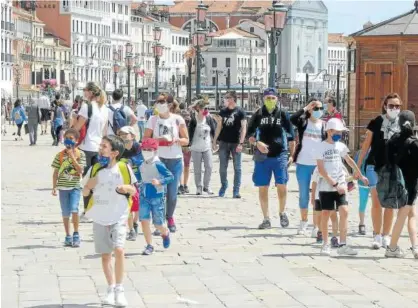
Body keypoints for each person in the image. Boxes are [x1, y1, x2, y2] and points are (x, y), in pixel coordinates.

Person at [83, 135, 137, 307]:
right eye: (100, 145)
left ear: (114, 153)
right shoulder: (95, 169)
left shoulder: (124, 168)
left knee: (119, 250)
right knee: (106, 255)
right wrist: (91, 184)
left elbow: (134, 190)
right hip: (100, 215)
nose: (100, 148)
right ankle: (110, 287)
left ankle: (120, 289)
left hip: (119, 215)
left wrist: (125, 188)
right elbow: (84, 192)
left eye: (104, 146)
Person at [314, 118, 369, 256]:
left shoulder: (341, 146)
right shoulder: (320, 147)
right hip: (326, 186)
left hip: (341, 184)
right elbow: (321, 170)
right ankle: (326, 243)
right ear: (329, 131)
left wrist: (360, 175)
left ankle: (343, 244)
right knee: (326, 213)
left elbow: (349, 161)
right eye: (337, 131)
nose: (340, 134)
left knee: (344, 211)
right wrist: (334, 184)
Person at [356, 93, 401, 249]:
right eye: (391, 106)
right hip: (374, 165)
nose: (394, 108)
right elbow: (366, 145)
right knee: (376, 201)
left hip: (393, 167)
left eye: (397, 106)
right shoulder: (376, 122)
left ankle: (386, 236)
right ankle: (376, 235)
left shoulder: (403, 123)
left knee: (390, 203)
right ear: (385, 106)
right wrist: (358, 166)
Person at [247, 88, 295, 229]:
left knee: (282, 185)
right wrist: (257, 142)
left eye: (272, 98)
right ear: (263, 99)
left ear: (277, 99)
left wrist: (292, 155)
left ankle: (282, 212)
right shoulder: (258, 114)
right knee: (263, 186)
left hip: (280, 154)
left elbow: (291, 136)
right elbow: (249, 135)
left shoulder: (283, 114)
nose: (270, 100)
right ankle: (266, 218)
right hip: (262, 156)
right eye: (267, 98)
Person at [144, 94, 189, 232]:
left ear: (169, 104)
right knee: (159, 191)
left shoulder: (177, 119)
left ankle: (170, 216)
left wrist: (176, 140)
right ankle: (160, 220)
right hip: (158, 159)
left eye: (162, 101)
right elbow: (145, 139)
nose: (158, 103)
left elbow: (186, 140)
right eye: (157, 101)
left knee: (172, 192)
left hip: (175, 158)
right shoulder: (153, 119)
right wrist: (157, 140)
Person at [72, 82, 109, 222]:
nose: (84, 92)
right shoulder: (105, 108)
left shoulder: (86, 107)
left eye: (85, 90)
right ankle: (98, 210)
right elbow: (104, 131)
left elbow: (77, 127)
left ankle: (88, 211)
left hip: (86, 147)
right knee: (97, 181)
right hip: (99, 148)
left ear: (90, 93)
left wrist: (71, 126)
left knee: (86, 181)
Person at [290, 98, 327, 235]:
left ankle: (316, 225)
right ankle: (303, 221)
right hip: (303, 162)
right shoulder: (303, 122)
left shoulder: (324, 125)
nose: (318, 111)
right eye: (315, 108)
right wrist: (305, 108)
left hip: (318, 165)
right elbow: (292, 119)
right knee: (304, 195)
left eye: (320, 108)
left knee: (318, 196)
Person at [385, 110, 418, 259]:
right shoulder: (414, 142)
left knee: (411, 214)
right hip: (410, 185)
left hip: (396, 182)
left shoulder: (393, 139)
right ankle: (392, 247)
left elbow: (387, 160)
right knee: (403, 215)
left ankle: (415, 246)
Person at [138, 138, 173, 255]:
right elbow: (136, 177)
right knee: (144, 220)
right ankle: (149, 245)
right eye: (144, 149)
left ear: (155, 151)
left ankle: (165, 232)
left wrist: (160, 181)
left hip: (157, 197)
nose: (146, 152)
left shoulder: (158, 164)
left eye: (149, 149)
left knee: (158, 224)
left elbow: (170, 176)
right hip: (144, 195)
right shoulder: (141, 165)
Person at [51, 128, 86, 247]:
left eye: (71, 139)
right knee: (65, 212)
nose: (68, 141)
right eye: (66, 138)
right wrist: (54, 187)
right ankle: (67, 235)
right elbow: (55, 172)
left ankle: (76, 233)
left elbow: (81, 170)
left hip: (75, 186)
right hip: (63, 188)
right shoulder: (59, 155)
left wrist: (72, 157)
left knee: (74, 209)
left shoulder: (80, 154)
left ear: (76, 141)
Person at [213, 91, 247, 198]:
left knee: (237, 167)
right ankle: (224, 185)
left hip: (235, 142)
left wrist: (241, 143)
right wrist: (214, 140)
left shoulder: (240, 111)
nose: (225, 100)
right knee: (222, 167)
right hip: (224, 141)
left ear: (232, 99)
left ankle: (236, 190)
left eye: (227, 98)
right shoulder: (223, 111)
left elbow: (244, 128)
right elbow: (219, 126)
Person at [118, 126, 143, 241]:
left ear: (132, 136)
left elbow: (140, 160)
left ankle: (135, 223)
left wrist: (131, 161)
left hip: (138, 179)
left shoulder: (138, 147)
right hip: (124, 180)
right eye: (121, 135)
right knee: (127, 205)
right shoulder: (119, 147)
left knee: (136, 205)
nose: (123, 137)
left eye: (125, 135)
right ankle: (131, 229)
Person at [189, 100, 216, 195]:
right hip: (196, 147)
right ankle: (199, 187)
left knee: (209, 166)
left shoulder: (209, 118)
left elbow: (213, 131)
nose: (207, 110)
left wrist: (215, 142)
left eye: (208, 108)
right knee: (197, 169)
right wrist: (188, 145)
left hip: (207, 146)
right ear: (199, 109)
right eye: (205, 108)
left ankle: (206, 186)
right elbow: (190, 133)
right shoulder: (193, 119)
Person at [311, 167, 339, 243]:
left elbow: (345, 178)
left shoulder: (338, 165)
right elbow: (314, 182)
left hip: (332, 194)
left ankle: (334, 236)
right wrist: (313, 196)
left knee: (333, 215)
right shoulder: (318, 168)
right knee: (319, 216)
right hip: (318, 195)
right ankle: (320, 232)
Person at [354, 147, 370, 235]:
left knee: (376, 205)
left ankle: (377, 227)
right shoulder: (359, 152)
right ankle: (362, 223)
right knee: (363, 204)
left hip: (375, 182)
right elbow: (355, 165)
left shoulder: (378, 151)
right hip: (362, 182)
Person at [178, 102, 192, 194]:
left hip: (185, 146)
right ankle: (183, 185)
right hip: (182, 146)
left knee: (185, 166)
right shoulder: (179, 123)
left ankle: (183, 185)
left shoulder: (190, 124)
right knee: (185, 166)